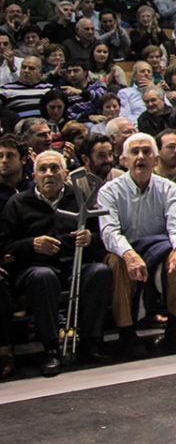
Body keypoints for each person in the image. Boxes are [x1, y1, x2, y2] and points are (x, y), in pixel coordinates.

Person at [0, 150, 113, 376]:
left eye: (54, 168)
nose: (49, 174)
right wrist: (31, 244)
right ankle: (51, 349)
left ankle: (91, 342)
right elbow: (5, 245)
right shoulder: (18, 203)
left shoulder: (80, 198)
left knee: (100, 272)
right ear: (34, 177)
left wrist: (90, 239)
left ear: (66, 174)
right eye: (43, 170)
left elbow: (102, 235)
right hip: (35, 269)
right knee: (43, 277)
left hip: (74, 266)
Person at [98, 132, 176, 356]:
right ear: (124, 160)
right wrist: (129, 254)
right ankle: (127, 334)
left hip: (159, 251)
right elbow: (109, 232)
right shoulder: (109, 191)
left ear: (156, 159)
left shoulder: (169, 189)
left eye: (146, 152)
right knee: (117, 261)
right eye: (135, 152)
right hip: (125, 251)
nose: (140, 157)